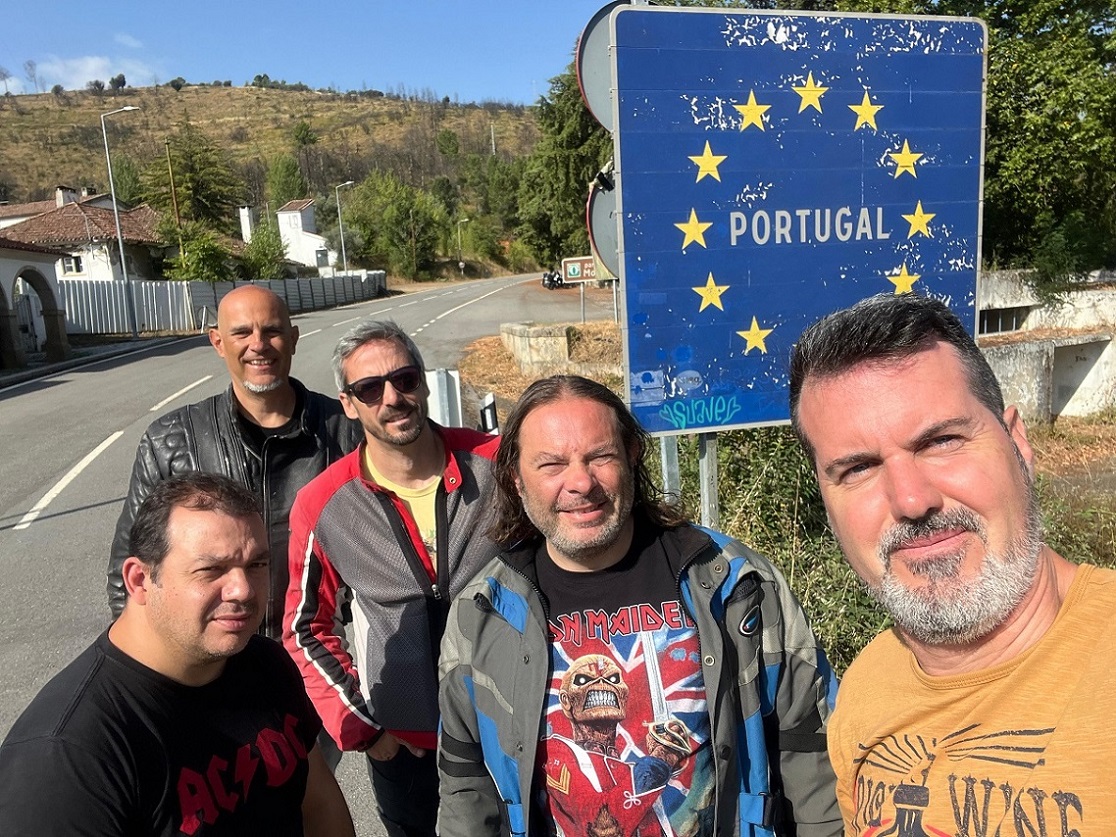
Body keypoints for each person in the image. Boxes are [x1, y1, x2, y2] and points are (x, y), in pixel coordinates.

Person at [437, 375, 841, 837]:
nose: (580, 483)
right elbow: (465, 787)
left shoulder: (735, 584)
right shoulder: (481, 615)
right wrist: (660, 761)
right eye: (552, 464)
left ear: (632, 454)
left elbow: (810, 749)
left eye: (600, 457)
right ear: (515, 478)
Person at [789, 292, 1116, 834]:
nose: (911, 500)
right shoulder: (863, 691)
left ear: (1018, 444)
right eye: (858, 469)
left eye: (942, 441)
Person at [0, 473, 355, 836]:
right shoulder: (66, 758)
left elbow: (317, 803)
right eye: (210, 570)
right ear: (139, 580)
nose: (243, 590)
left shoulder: (265, 663)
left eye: (256, 565)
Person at [284, 319, 500, 837]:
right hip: (405, 752)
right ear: (348, 403)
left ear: (423, 383)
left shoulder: (495, 465)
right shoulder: (323, 504)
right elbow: (304, 628)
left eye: (404, 379)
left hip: (510, 731)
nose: (392, 398)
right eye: (369, 388)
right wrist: (364, 730)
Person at [108, 284, 360, 639]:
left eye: (272, 331)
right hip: (212, 658)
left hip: (317, 652)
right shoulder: (171, 441)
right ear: (218, 343)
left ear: (293, 338)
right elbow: (131, 570)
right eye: (242, 333)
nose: (258, 344)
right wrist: (147, 660)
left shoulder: (349, 431)